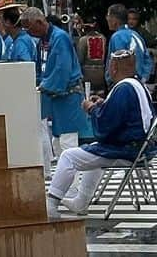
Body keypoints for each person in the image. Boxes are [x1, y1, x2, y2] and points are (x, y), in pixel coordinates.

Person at [47, 49, 155, 217]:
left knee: (68, 156)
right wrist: (103, 105)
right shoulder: (138, 85)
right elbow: (121, 116)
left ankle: (51, 202)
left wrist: (91, 109)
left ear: (113, 68)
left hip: (125, 150)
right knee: (93, 150)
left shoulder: (123, 89)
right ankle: (81, 202)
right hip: (141, 149)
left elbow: (106, 126)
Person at [22, 7, 93, 147]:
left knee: (67, 141)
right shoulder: (41, 41)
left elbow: (62, 69)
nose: (29, 33)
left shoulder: (60, 37)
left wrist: (43, 86)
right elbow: (40, 69)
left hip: (68, 95)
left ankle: (71, 169)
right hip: (56, 96)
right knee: (57, 141)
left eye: (29, 28)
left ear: (39, 22)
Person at [106, 4, 153, 85]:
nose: (107, 18)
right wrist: (143, 79)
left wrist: (112, 82)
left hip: (124, 84)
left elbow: (119, 64)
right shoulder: (136, 35)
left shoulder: (118, 37)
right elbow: (148, 60)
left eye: (108, 15)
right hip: (138, 82)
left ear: (114, 19)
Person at [76, 21, 107, 94]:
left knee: (89, 95)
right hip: (101, 72)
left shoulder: (83, 40)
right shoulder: (103, 38)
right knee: (100, 94)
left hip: (87, 74)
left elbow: (80, 58)